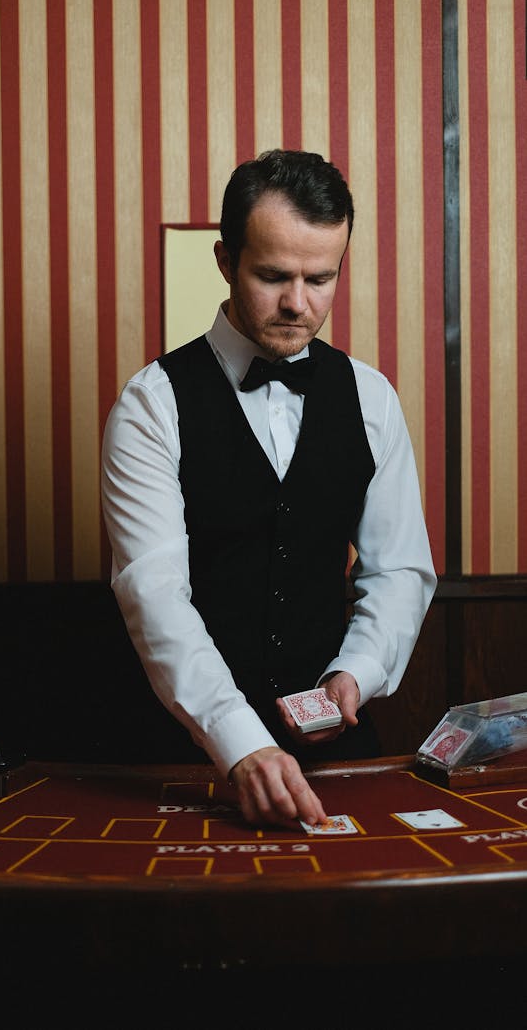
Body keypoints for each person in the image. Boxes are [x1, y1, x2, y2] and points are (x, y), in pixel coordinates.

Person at [101, 149, 437, 830]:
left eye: (321, 278)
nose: (298, 303)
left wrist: (356, 672)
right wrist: (239, 741)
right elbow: (154, 593)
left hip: (337, 751)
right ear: (226, 262)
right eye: (273, 276)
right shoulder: (151, 405)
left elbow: (399, 569)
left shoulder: (372, 398)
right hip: (185, 753)